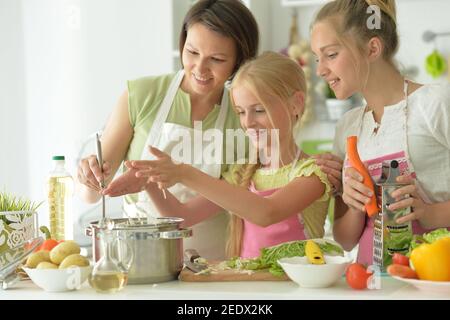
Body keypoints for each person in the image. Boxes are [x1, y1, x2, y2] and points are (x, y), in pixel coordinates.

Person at [76, 0, 259, 260]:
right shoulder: (142, 95)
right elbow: (93, 194)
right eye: (192, 52)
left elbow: (188, 215)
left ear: (239, 60)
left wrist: (149, 181)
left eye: (216, 59)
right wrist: (88, 176)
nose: (200, 69)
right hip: (137, 260)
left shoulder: (244, 116)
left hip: (214, 267)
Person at [104, 52, 332, 258]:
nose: (248, 122)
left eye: (259, 110)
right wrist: (150, 182)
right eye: (241, 112)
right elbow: (182, 217)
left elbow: (266, 212)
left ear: (296, 104)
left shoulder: (312, 174)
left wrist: (184, 172)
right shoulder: (243, 173)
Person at [310, 0, 450, 266]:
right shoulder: (347, 128)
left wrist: (430, 214)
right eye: (318, 58)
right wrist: (354, 206)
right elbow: (345, 240)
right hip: (369, 281)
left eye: (331, 54)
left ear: (372, 48)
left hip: (435, 279)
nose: (320, 70)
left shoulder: (435, 103)